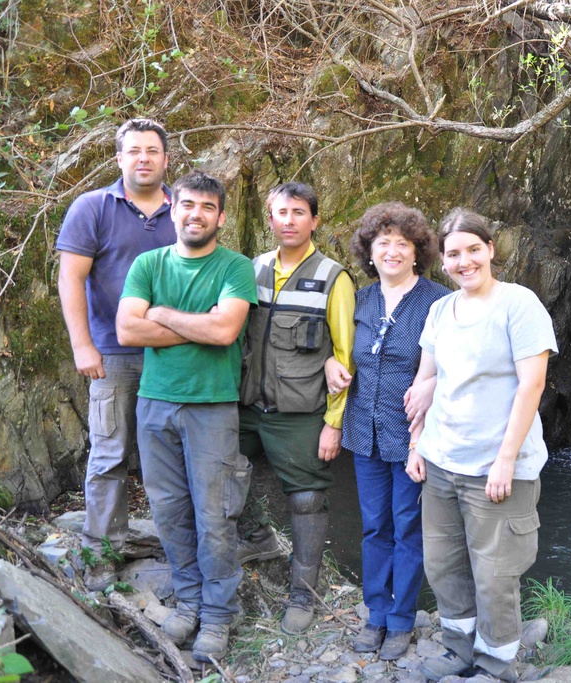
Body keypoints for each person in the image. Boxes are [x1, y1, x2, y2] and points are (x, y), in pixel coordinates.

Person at [406, 208, 557, 682]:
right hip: (442, 460)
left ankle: (495, 660)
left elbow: (531, 387)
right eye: (454, 254)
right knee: (443, 563)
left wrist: (505, 461)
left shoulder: (520, 305)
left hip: (498, 466)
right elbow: (426, 380)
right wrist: (416, 444)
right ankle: (458, 648)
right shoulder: (439, 311)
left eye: (474, 249)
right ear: (443, 261)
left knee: (494, 574)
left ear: (491, 249)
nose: (464, 261)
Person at [116, 172, 257, 662]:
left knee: (215, 516)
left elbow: (224, 332)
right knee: (170, 511)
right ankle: (189, 601)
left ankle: (219, 615)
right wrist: (196, 324)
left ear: (220, 216)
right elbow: (128, 330)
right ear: (173, 208)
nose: (196, 214)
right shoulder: (148, 263)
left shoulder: (235, 267)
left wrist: (163, 314)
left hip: (212, 406)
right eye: (188, 204)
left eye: (207, 207)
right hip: (155, 403)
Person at [325, 203, 449, 660]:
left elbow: (458, 363)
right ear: (369, 253)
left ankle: (401, 619)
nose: (393, 251)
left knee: (408, 528)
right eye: (383, 243)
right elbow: (337, 348)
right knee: (374, 526)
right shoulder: (361, 300)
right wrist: (328, 366)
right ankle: (375, 612)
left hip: (413, 436)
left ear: (418, 252)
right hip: (364, 433)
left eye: (403, 243)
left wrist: (431, 383)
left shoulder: (438, 301)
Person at [56, 118, 175, 591]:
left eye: (152, 150)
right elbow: (71, 279)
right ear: (119, 158)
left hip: (172, 352)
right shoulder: (93, 207)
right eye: (134, 151)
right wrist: (82, 345)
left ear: (166, 159)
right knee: (109, 452)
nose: (143, 158)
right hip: (112, 352)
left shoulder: (182, 209)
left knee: (168, 453)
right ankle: (102, 549)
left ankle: (174, 544)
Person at [237, 182, 356, 634]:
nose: (288, 220)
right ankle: (257, 537)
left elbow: (344, 356)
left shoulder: (333, 277)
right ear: (269, 218)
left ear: (314, 220)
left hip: (301, 411)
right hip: (249, 403)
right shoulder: (253, 269)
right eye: (280, 212)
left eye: (298, 212)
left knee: (306, 499)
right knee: (225, 467)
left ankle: (303, 595)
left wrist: (333, 424)